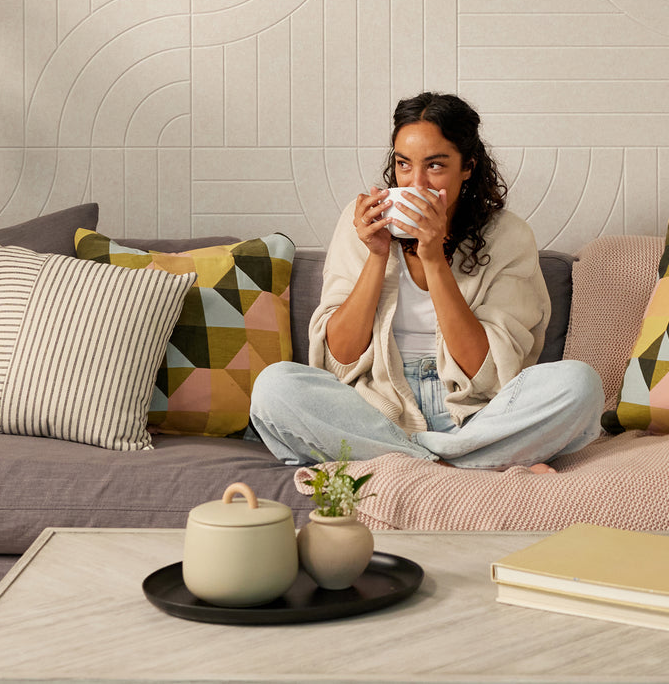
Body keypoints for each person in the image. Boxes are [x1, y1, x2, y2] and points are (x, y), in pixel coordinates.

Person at [248, 92, 604, 471]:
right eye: (404, 164)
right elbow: (339, 360)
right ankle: (465, 462)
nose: (416, 184)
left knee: (579, 384)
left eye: (435, 166)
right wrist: (377, 255)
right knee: (275, 387)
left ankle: (405, 460)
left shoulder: (508, 236)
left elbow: (485, 372)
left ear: (468, 166)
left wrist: (434, 258)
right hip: (376, 408)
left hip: (477, 412)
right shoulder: (361, 228)